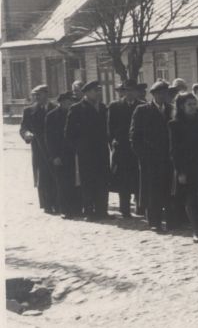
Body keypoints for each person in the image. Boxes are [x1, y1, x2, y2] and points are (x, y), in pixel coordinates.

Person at [130, 80, 174, 231]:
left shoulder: (171, 109)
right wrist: (143, 155)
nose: (163, 96)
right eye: (160, 93)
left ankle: (170, 220)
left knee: (167, 188)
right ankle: (154, 221)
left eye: (165, 93)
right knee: (152, 190)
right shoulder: (142, 110)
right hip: (150, 158)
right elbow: (135, 136)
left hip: (168, 157)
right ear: (153, 95)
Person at [65, 81, 110, 219]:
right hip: (86, 153)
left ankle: (102, 210)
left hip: (102, 151)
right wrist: (79, 148)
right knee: (88, 181)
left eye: (99, 90)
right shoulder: (77, 108)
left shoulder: (102, 108)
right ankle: (89, 211)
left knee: (102, 180)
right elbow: (69, 133)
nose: (98, 93)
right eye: (95, 91)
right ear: (86, 93)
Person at [169, 92, 198, 243]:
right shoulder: (175, 124)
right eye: (189, 105)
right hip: (186, 165)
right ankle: (196, 229)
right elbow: (174, 150)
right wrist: (180, 171)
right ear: (181, 106)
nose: (192, 107)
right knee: (190, 198)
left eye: (194, 104)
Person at [107, 80, 144, 218]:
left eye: (132, 91)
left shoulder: (142, 106)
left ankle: (140, 207)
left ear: (136, 92)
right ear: (123, 92)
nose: (130, 93)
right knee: (123, 180)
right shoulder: (115, 106)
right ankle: (125, 208)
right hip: (122, 148)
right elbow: (110, 128)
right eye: (127, 90)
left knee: (138, 178)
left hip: (137, 149)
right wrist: (113, 144)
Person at [20, 85, 57, 213]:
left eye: (39, 94)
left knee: (56, 174)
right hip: (39, 148)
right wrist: (27, 134)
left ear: (46, 94)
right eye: (34, 95)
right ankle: (47, 205)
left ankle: (57, 203)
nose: (36, 97)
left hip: (54, 147)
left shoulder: (55, 108)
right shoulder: (29, 111)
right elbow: (23, 128)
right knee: (42, 176)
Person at [45, 92, 79, 218]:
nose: (70, 104)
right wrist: (54, 156)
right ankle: (64, 209)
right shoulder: (52, 116)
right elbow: (49, 138)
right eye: (68, 102)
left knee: (74, 182)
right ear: (61, 102)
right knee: (62, 183)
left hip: (73, 153)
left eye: (72, 102)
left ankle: (76, 208)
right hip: (60, 154)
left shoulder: (74, 113)